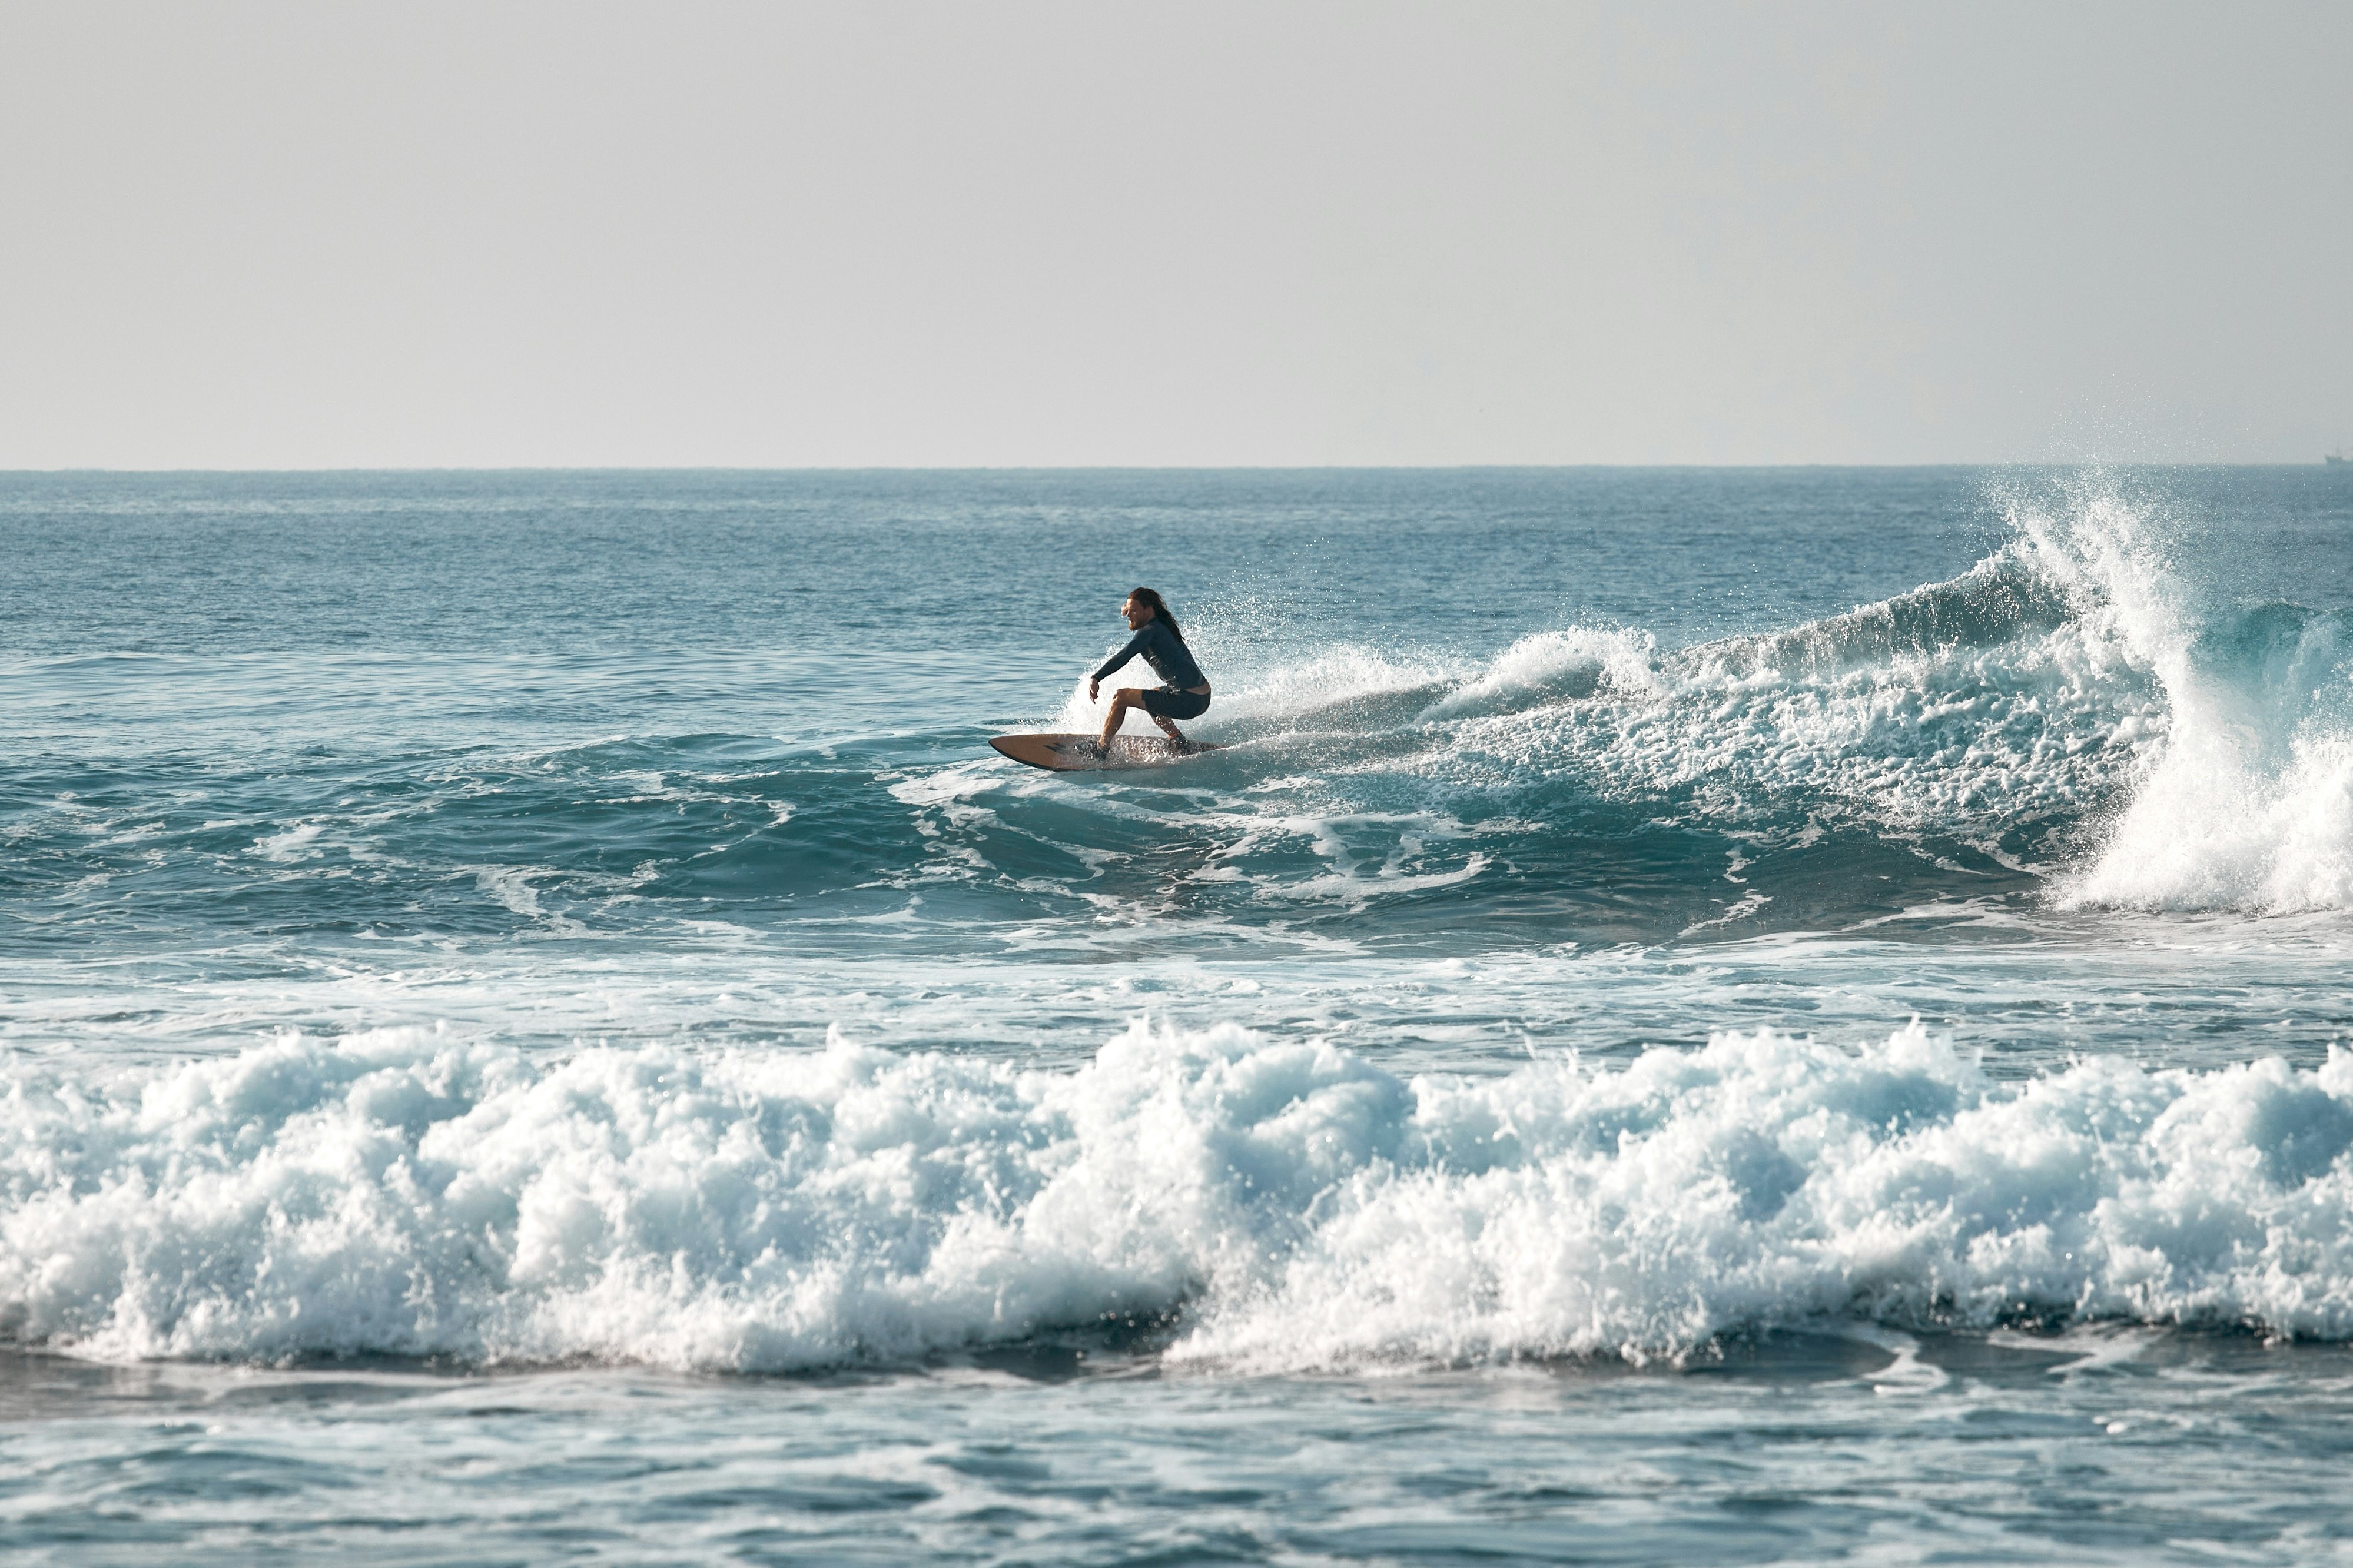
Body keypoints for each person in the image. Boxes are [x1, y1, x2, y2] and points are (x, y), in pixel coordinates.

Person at [1089, 587, 1210, 752]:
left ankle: (1101, 749)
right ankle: (1177, 739)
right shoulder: (1164, 625)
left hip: (1188, 701)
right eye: (1127, 610)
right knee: (1154, 695)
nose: (1128, 614)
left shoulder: (1149, 631)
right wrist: (1129, 608)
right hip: (1202, 697)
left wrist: (1097, 677)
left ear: (1149, 610)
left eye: (1133, 611)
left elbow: (1125, 655)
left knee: (1121, 697)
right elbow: (1134, 612)